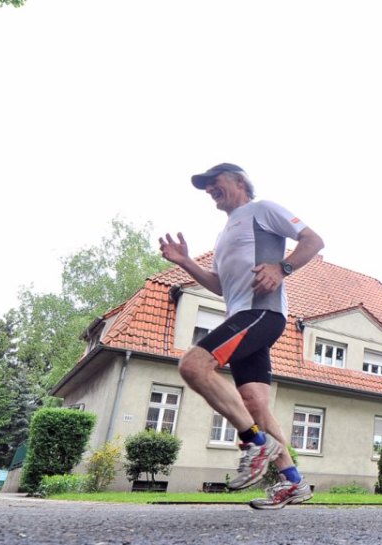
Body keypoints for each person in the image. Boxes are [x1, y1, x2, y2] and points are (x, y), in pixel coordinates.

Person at [159, 163, 324, 510]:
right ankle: (293, 483)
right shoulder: (223, 236)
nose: (209, 190)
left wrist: (282, 268)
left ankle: (256, 442)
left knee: (193, 366)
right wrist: (186, 261)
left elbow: (313, 240)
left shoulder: (262, 210)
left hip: (262, 313)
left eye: (213, 182)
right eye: (205, 186)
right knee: (255, 404)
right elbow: (220, 286)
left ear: (239, 182)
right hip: (242, 317)